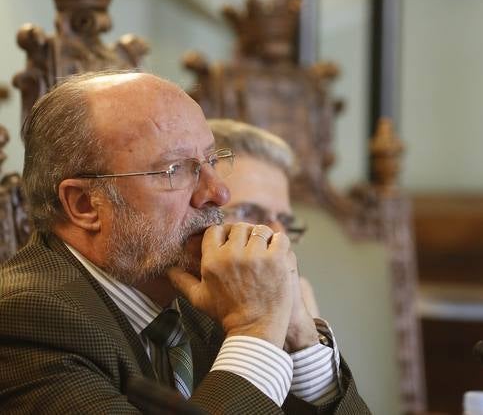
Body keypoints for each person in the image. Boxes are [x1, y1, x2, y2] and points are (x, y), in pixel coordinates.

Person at [0, 71, 370, 414]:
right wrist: (253, 331)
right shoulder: (24, 321)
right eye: (175, 169)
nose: (219, 192)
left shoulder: (214, 293)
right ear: (84, 204)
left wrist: (299, 339)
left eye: (211, 161)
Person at [207, 118, 320, 317]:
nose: (280, 236)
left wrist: (304, 329)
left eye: (284, 220)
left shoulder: (297, 301)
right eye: (248, 212)